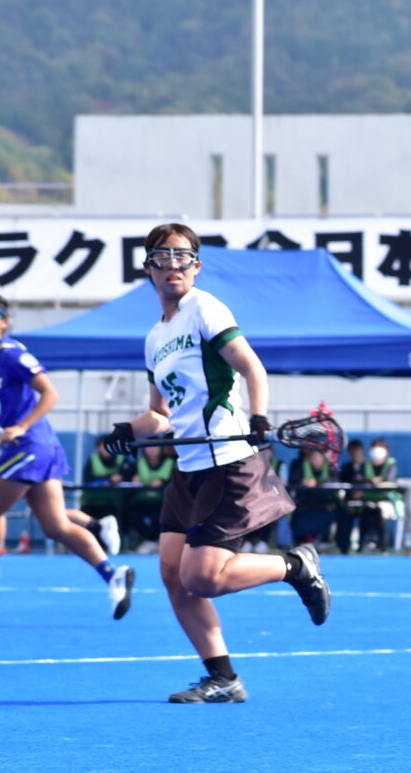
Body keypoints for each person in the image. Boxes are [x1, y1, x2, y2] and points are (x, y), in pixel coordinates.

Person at [102, 222, 330, 704]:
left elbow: (252, 368)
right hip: (188, 469)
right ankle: (223, 678)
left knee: (201, 577)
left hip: (228, 462)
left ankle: (295, 565)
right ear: (148, 268)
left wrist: (260, 416)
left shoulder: (205, 308)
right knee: (173, 575)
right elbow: (161, 415)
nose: (172, 265)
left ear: (196, 265)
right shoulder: (154, 338)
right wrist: (128, 430)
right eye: (161, 257)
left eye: (181, 256)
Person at [0, 292, 134, 620]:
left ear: (5, 321)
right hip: (32, 447)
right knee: (56, 526)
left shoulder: (12, 353)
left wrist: (21, 426)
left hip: (30, 445)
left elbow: (50, 393)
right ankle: (112, 574)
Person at [128, 443, 177, 552]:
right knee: (132, 514)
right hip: (143, 500)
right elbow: (128, 478)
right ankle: (149, 540)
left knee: (159, 515)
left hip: (163, 501)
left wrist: (163, 482)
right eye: (149, 447)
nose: (152, 450)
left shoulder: (170, 463)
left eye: (155, 446)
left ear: (161, 448)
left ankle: (155, 540)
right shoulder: (139, 463)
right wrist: (134, 480)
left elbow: (176, 482)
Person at [288, 446, 338, 548]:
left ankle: (322, 539)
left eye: (318, 456)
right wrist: (303, 483)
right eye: (313, 456)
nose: (315, 459)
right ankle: (304, 540)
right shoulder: (301, 467)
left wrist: (317, 483)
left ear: (324, 457)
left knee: (328, 512)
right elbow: (292, 483)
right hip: (305, 503)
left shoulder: (330, 468)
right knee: (301, 515)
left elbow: (335, 483)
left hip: (324, 504)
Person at [334, 439, 367, 554]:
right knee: (342, 513)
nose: (355, 453)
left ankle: (364, 544)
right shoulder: (346, 468)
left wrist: (363, 494)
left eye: (357, 450)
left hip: (366, 503)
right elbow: (342, 487)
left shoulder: (368, 467)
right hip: (349, 503)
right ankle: (343, 546)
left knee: (369, 513)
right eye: (352, 451)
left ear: (362, 451)